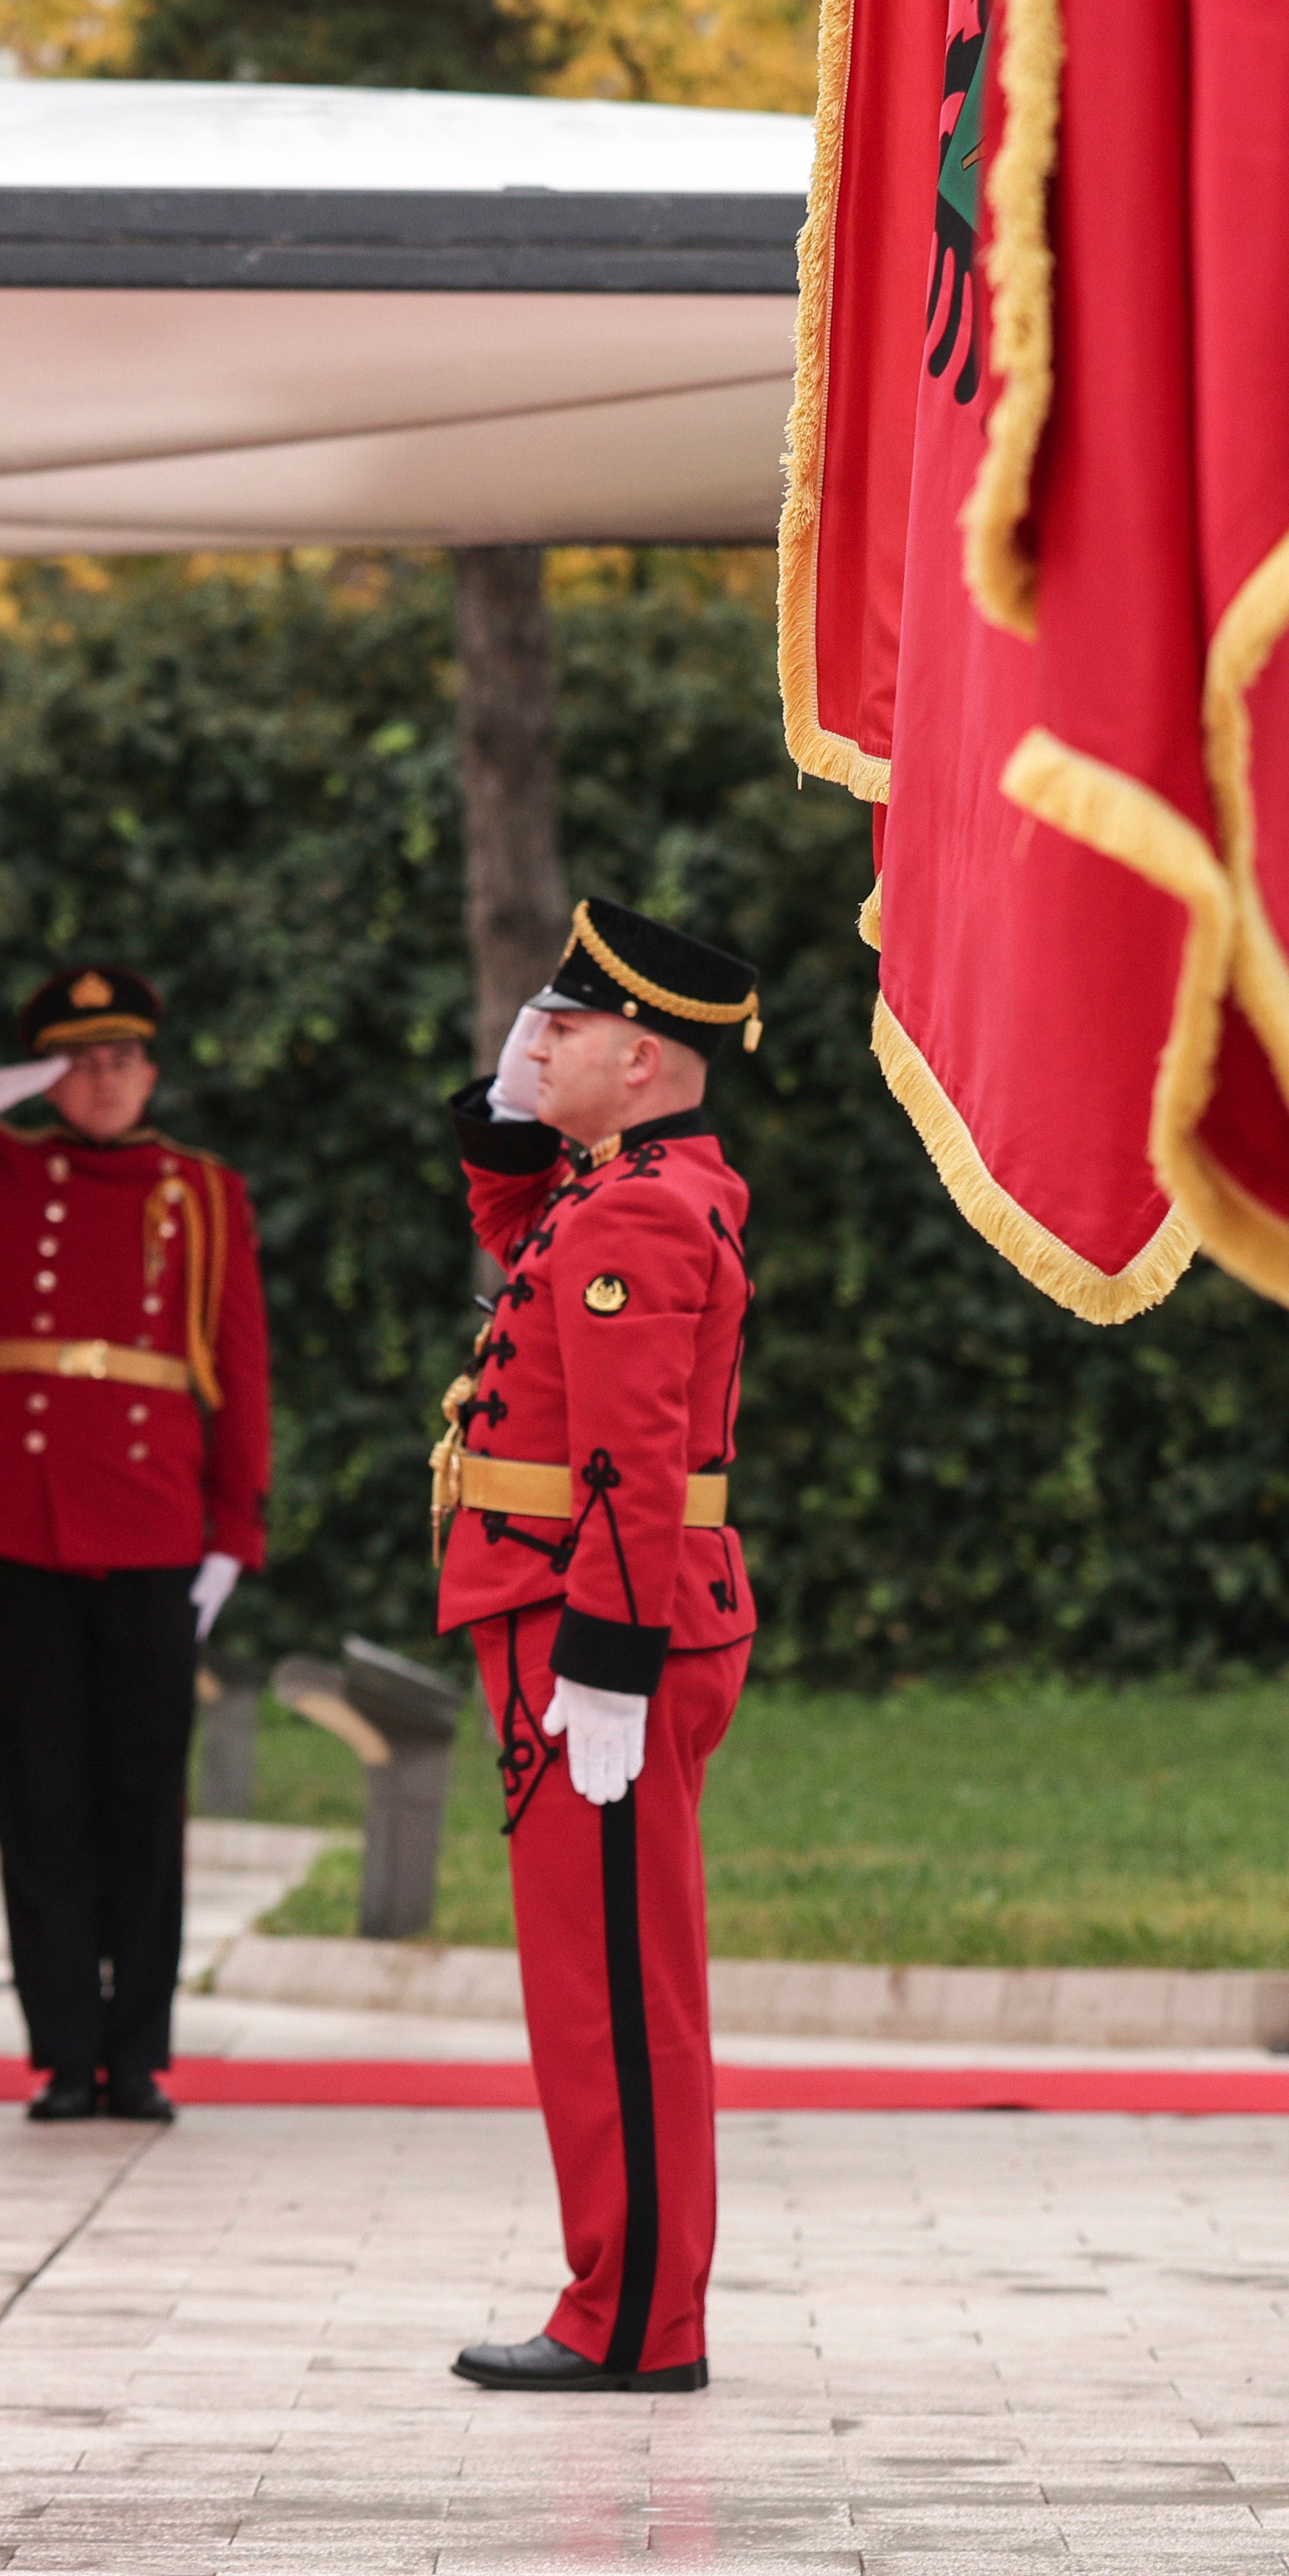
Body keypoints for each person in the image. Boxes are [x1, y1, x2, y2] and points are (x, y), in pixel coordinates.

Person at [0, 964, 273, 2123]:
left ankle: (139, 2055)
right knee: (38, 1797)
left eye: (123, 1060)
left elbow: (241, 1368)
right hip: (24, 1526)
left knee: (141, 1798)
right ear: (44, 1081)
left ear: (152, 1073)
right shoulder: (1, 1171)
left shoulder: (203, 1192)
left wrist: (235, 1531)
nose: (105, 1082)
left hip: (153, 1524)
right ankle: (65, 2054)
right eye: (79, 1065)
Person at [437, 902, 761, 2396]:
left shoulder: (636, 1210)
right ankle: (626, 2299)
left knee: (614, 1990)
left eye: (562, 1029)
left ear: (640, 1059)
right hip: (578, 1610)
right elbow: (521, 1236)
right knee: (602, 1974)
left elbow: (632, 1452)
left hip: (594, 1623)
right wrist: (508, 1112)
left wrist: (609, 1657)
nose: (537, 1042)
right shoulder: (625, 1188)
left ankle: (631, 2318)